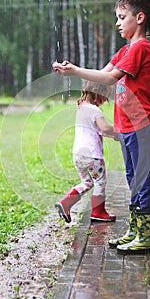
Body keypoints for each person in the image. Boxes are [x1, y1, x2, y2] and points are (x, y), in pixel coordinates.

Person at [53, 0, 150, 255]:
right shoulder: (125, 51)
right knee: (133, 179)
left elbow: (110, 80)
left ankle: (147, 235)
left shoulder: (140, 48)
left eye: (122, 16)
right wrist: (72, 71)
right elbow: (101, 75)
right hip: (126, 127)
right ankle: (136, 230)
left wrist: (76, 71)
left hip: (141, 126)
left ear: (140, 18)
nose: (117, 22)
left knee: (144, 179)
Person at [55, 80, 117, 223]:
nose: (104, 101)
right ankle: (98, 212)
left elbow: (96, 129)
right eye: (104, 97)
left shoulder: (82, 107)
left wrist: (112, 135)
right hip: (92, 155)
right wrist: (121, 132)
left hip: (78, 154)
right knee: (100, 182)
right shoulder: (94, 110)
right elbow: (105, 128)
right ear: (97, 93)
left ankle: (65, 203)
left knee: (87, 182)